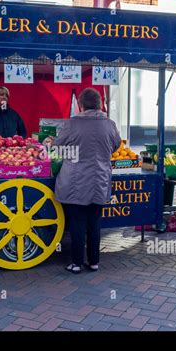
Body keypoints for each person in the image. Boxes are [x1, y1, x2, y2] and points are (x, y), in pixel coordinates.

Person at [52, 88, 121, 274]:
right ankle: (94, 262)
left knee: (77, 223)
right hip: (99, 180)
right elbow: (116, 146)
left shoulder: (72, 124)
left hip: (75, 182)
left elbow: (57, 148)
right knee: (94, 222)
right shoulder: (110, 124)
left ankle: (76, 263)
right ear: (99, 104)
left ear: (80, 105)